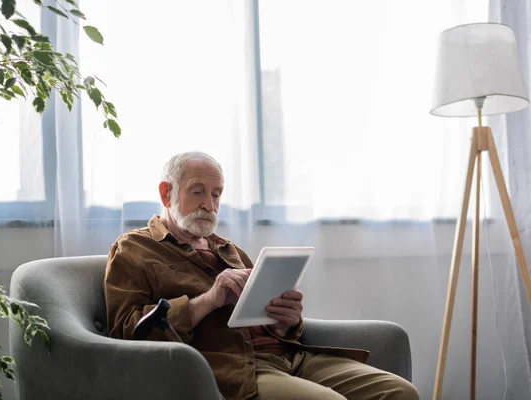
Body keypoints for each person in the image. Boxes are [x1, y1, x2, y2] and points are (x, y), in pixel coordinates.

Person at [104, 151, 419, 400]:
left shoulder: (228, 250)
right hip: (234, 367)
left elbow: (263, 318)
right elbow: (126, 332)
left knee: (400, 392)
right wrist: (207, 301)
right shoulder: (135, 248)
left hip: (291, 357)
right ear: (166, 193)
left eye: (216, 194)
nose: (209, 205)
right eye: (198, 192)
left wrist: (287, 321)